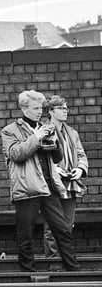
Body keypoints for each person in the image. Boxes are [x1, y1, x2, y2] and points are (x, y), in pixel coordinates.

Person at [1, 90, 79, 272]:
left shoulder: (44, 127)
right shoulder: (9, 131)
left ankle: (73, 270)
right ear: (23, 108)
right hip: (27, 188)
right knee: (26, 235)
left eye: (41, 108)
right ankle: (29, 274)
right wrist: (37, 137)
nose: (39, 112)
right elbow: (15, 154)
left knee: (63, 230)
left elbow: (58, 157)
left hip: (49, 187)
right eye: (35, 108)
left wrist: (54, 142)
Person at [42, 95, 88, 258]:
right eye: (62, 108)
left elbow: (81, 154)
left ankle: (66, 258)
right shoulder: (44, 130)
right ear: (51, 111)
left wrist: (80, 170)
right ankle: (53, 258)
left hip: (71, 183)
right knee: (52, 224)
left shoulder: (72, 133)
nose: (65, 111)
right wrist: (55, 169)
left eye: (66, 108)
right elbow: (42, 156)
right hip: (52, 183)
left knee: (68, 224)